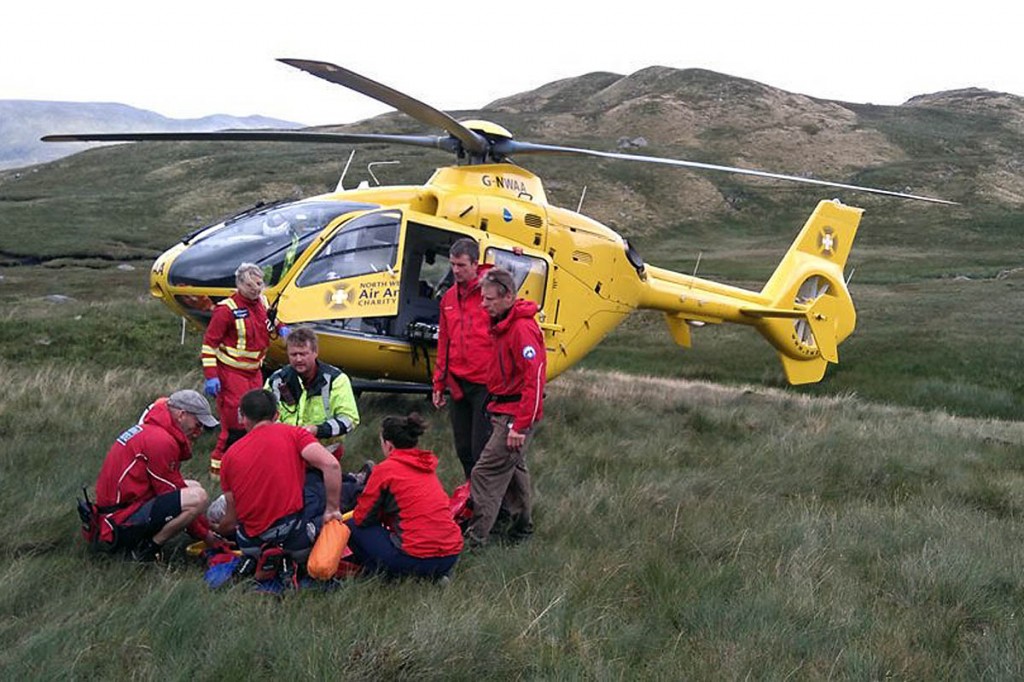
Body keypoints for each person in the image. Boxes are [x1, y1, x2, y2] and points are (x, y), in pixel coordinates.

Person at [212, 389, 343, 569]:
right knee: (316, 488)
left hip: (251, 546)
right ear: (277, 414)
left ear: (242, 417)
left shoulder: (229, 457)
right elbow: (331, 465)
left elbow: (232, 516)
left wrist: (216, 532)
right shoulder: (295, 434)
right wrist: (332, 509)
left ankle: (262, 562)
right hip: (295, 542)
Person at [464, 267, 546, 548]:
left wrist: (519, 426)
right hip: (504, 410)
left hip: (515, 415)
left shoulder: (522, 329)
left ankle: (476, 537)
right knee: (514, 469)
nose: (483, 304)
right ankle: (522, 527)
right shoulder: (504, 323)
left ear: (508, 296)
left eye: (489, 299)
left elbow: (534, 379)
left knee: (484, 472)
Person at [93, 390, 218, 561]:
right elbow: (169, 493)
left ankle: (144, 543)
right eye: (198, 424)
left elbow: (174, 488)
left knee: (194, 487)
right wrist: (206, 536)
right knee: (198, 497)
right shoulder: (161, 441)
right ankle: (147, 549)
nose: (200, 431)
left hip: (120, 508)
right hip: (118, 520)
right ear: (182, 415)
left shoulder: (153, 429)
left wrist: (207, 528)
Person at [346, 413, 463, 580]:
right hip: (450, 557)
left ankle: (382, 575)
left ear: (389, 445)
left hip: (414, 558)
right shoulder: (427, 467)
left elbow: (362, 518)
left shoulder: (385, 470)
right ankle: (434, 576)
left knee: (352, 526)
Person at [201, 262, 286, 478]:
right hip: (231, 374)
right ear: (239, 284)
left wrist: (282, 328)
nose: (256, 290)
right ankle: (218, 472)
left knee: (258, 418)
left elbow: (269, 318)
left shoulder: (262, 302)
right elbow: (209, 345)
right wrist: (211, 376)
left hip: (255, 372)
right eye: (250, 286)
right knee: (234, 423)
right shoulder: (225, 310)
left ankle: (249, 464)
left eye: (259, 284)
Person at [432, 238, 495, 479]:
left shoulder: (491, 295)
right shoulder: (448, 298)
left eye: (461, 265)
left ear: (475, 264)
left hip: (485, 384)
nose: (455, 270)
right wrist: (439, 382)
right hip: (458, 383)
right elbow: (444, 342)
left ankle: (493, 507)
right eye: (452, 265)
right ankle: (472, 496)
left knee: (483, 449)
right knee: (463, 448)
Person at [264, 325, 359, 456]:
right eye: (293, 354)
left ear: (315, 352)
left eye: (303, 354)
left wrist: (317, 430)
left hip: (325, 450)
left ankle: (353, 477)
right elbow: (264, 417)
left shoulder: (336, 380)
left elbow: (349, 419)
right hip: (285, 449)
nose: (298, 359)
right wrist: (285, 432)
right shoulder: (276, 380)